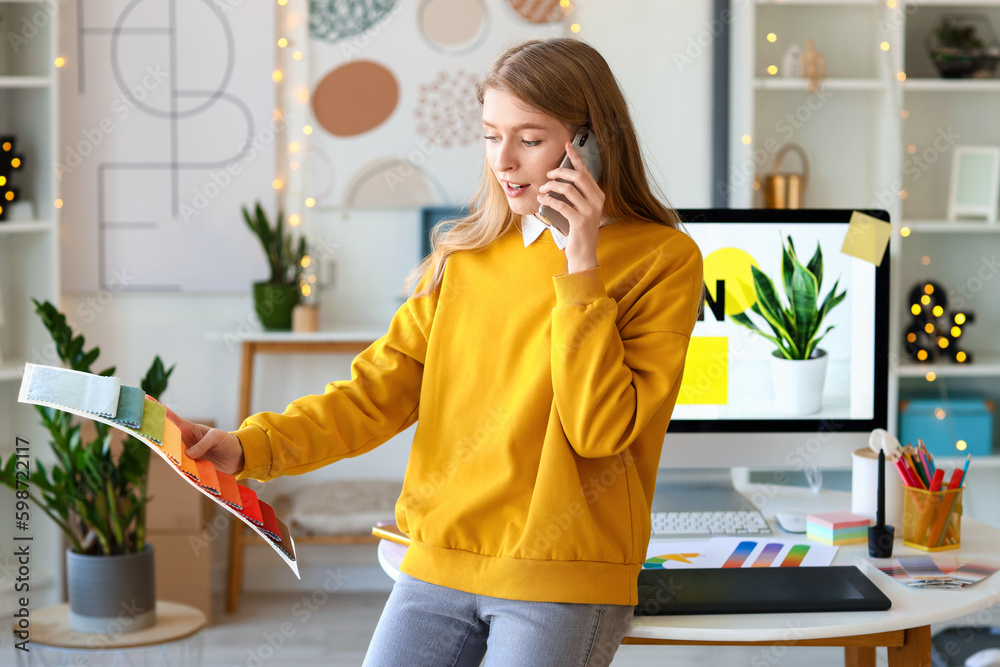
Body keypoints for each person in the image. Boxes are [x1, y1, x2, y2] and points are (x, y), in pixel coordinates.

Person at [169, 37, 703, 667]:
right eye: (490, 134)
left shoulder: (662, 260)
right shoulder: (465, 258)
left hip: (561, 575)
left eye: (529, 139)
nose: (503, 161)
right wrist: (248, 447)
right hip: (436, 561)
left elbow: (599, 431)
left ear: (589, 143)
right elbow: (370, 397)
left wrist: (579, 265)